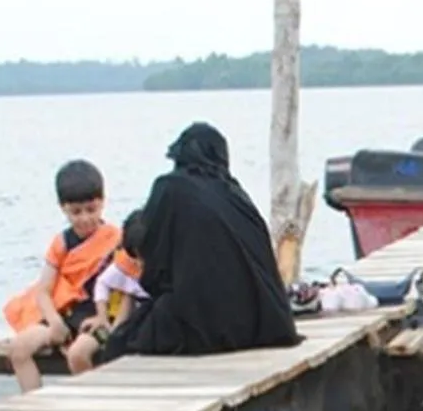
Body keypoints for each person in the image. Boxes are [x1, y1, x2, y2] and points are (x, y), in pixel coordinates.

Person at [99, 124, 299, 362]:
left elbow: (155, 262)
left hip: (202, 324)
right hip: (261, 322)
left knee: (120, 344)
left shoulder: (169, 188)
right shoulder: (237, 196)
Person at [2, 159, 120, 392]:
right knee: (18, 349)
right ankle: (35, 405)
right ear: (63, 208)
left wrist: (105, 319)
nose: (85, 218)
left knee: (78, 354)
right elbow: (44, 291)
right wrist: (55, 322)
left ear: (103, 202)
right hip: (65, 313)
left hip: (98, 316)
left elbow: (125, 287)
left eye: (91, 210)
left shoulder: (115, 240)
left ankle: (92, 403)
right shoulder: (61, 243)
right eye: (76, 212)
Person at [66, 210, 149, 376]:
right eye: (136, 257)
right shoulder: (125, 266)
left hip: (145, 325)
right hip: (120, 323)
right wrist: (102, 316)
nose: (139, 263)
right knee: (83, 352)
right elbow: (102, 283)